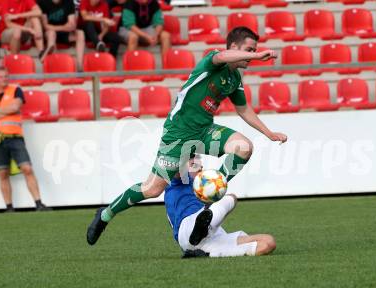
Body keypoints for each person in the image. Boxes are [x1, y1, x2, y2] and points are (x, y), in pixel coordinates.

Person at [87, 26, 287, 245]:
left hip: (204, 132)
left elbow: (243, 109)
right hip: (178, 134)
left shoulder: (234, 79)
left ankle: (207, 207)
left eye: (254, 50)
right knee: (152, 189)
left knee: (244, 147)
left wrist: (268, 133)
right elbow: (222, 56)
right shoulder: (213, 59)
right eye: (248, 49)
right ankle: (105, 214)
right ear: (234, 47)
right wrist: (257, 56)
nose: (251, 54)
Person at [165, 155, 276, 258]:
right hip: (188, 229)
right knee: (230, 198)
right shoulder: (177, 182)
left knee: (268, 243)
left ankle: (208, 253)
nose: (200, 169)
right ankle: (199, 230)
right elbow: (175, 166)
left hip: (213, 239)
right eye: (194, 165)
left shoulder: (203, 192)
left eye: (200, 166)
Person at [0, 67, 47, 212]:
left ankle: (39, 203)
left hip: (14, 136)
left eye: (7, 76)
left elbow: (16, 106)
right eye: (1, 77)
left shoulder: (16, 89)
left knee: (27, 168)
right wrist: (8, 110)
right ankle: (9, 207)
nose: (5, 79)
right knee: (3, 172)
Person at [38, 0, 86, 71]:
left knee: (80, 33)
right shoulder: (43, 2)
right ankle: (53, 67)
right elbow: (45, 26)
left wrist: (58, 28)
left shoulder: (69, 2)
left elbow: (72, 25)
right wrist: (64, 27)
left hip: (64, 33)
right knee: (51, 34)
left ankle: (79, 67)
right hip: (50, 33)